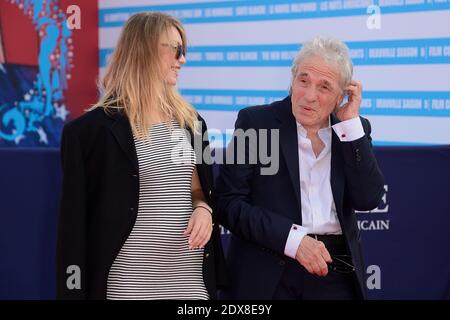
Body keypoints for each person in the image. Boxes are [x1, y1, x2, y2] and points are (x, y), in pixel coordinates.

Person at [56, 12, 226, 300]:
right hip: (127, 285)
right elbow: (73, 231)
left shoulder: (191, 122)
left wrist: (203, 210)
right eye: (175, 49)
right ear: (144, 50)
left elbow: (198, 190)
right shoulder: (89, 132)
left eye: (183, 50)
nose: (182, 59)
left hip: (189, 280)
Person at [215, 37, 385, 300]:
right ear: (292, 79)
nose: (309, 96)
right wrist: (294, 241)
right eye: (303, 81)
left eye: (324, 87)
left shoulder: (351, 129)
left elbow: (368, 198)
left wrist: (350, 125)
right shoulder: (257, 123)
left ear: (341, 96)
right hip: (269, 267)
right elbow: (229, 203)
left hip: (335, 272)